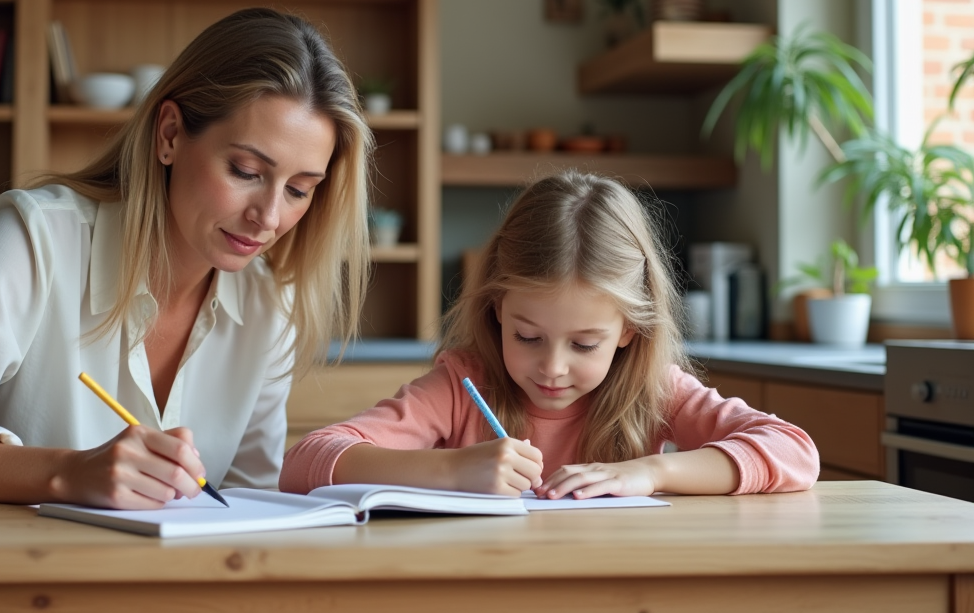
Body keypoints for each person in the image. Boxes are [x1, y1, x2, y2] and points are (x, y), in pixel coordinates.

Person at [0, 8, 373, 509]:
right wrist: (68, 473)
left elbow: (249, 501)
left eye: (299, 190)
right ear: (170, 134)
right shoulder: (36, 239)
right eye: (246, 172)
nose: (269, 217)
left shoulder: (268, 304)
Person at [281, 170, 819, 499]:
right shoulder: (461, 386)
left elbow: (794, 451)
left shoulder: (653, 390)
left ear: (630, 329)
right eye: (528, 337)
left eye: (584, 344)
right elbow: (306, 460)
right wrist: (450, 469)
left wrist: (651, 472)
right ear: (497, 310)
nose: (553, 367)